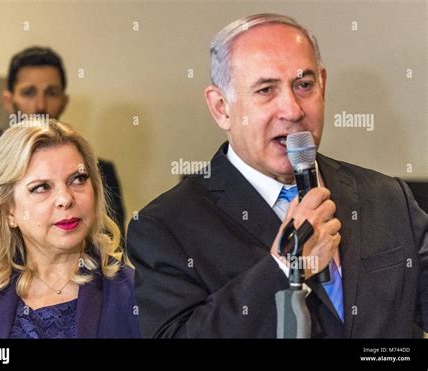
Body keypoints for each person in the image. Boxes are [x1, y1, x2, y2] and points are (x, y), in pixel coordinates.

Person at [127, 13, 428, 338]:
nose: (293, 109)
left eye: (304, 85)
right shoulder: (165, 227)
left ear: (323, 87)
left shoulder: (386, 197)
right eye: (266, 90)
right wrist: (286, 268)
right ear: (221, 108)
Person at [0, 119, 140, 338]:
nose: (65, 199)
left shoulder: (136, 294)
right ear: (8, 211)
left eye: (78, 179)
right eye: (41, 187)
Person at [0, 47, 125, 267]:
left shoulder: (98, 170)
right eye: (41, 187)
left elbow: (110, 249)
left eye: (78, 179)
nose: (40, 105)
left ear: (64, 100)